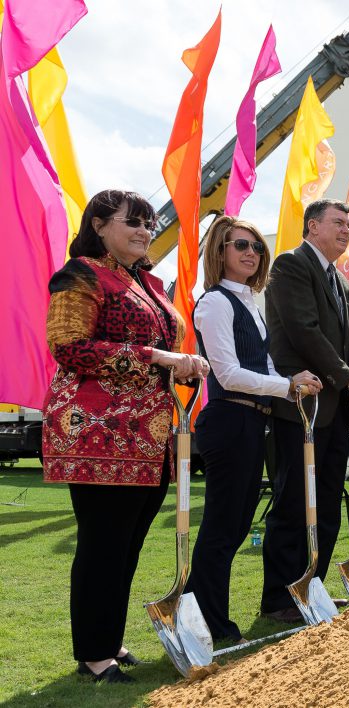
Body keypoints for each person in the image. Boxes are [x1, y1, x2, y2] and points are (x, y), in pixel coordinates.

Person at [43, 189, 209, 683]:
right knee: (103, 544)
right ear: (98, 224)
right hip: (97, 433)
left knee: (127, 544)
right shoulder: (80, 275)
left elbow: (162, 346)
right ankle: (93, 654)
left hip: (148, 435)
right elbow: (69, 346)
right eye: (132, 222)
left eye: (149, 223)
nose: (144, 230)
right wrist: (158, 358)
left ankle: (108, 639)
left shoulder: (145, 283)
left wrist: (183, 365)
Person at [187, 216, 321, 644]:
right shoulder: (213, 303)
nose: (250, 253)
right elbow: (227, 374)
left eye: (256, 247)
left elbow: (261, 367)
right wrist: (287, 385)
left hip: (251, 422)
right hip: (228, 420)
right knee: (223, 529)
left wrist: (293, 381)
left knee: (234, 526)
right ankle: (212, 623)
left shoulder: (249, 304)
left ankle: (201, 616)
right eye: (239, 245)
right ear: (219, 252)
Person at [260, 199, 349, 621]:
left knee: (328, 502)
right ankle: (279, 597)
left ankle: (313, 586)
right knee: (295, 502)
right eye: (338, 223)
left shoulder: (342, 282)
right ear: (313, 227)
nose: (347, 230)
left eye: (348, 224)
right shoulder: (291, 266)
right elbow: (303, 331)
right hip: (301, 406)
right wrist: (348, 377)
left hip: (335, 410)